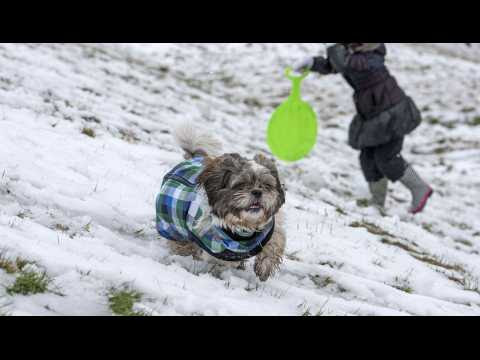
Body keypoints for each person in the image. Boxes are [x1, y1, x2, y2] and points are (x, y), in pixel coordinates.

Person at [294, 43, 433, 214]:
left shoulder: (372, 56)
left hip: (392, 113)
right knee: (368, 158)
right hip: (373, 113)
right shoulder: (352, 52)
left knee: (387, 158)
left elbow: (348, 64)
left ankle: (420, 188)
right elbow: (336, 64)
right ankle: (377, 204)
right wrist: (313, 63)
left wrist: (333, 48)